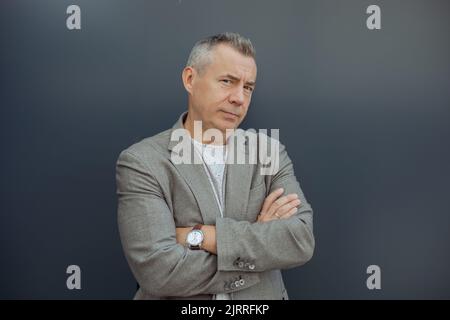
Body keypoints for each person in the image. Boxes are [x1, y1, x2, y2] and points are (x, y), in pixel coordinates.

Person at [116, 32, 315, 300]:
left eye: (248, 87)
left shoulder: (270, 152)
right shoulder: (143, 162)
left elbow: (299, 240)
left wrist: (200, 236)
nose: (239, 98)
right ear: (190, 79)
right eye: (227, 81)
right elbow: (160, 273)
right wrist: (261, 248)